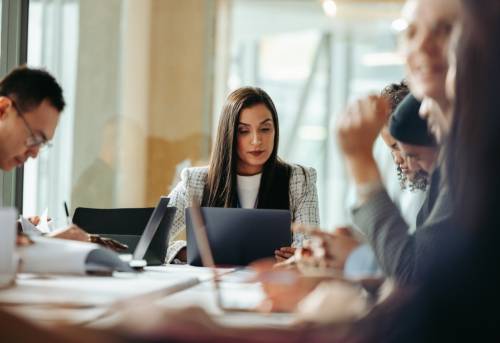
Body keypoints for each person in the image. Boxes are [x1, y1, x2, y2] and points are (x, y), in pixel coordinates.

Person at [336, 0, 460, 284]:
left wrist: (360, 162)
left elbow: (414, 275)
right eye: (411, 32)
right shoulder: (453, 162)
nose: (422, 46)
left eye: (445, 29)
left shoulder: (480, 159)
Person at [166, 87, 320, 263]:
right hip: (211, 287)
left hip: (274, 285)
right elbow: (150, 240)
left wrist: (300, 257)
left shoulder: (300, 179)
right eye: (243, 131)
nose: (256, 140)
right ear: (228, 135)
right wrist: (186, 251)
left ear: (275, 131)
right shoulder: (195, 181)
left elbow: (311, 247)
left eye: (265, 129)